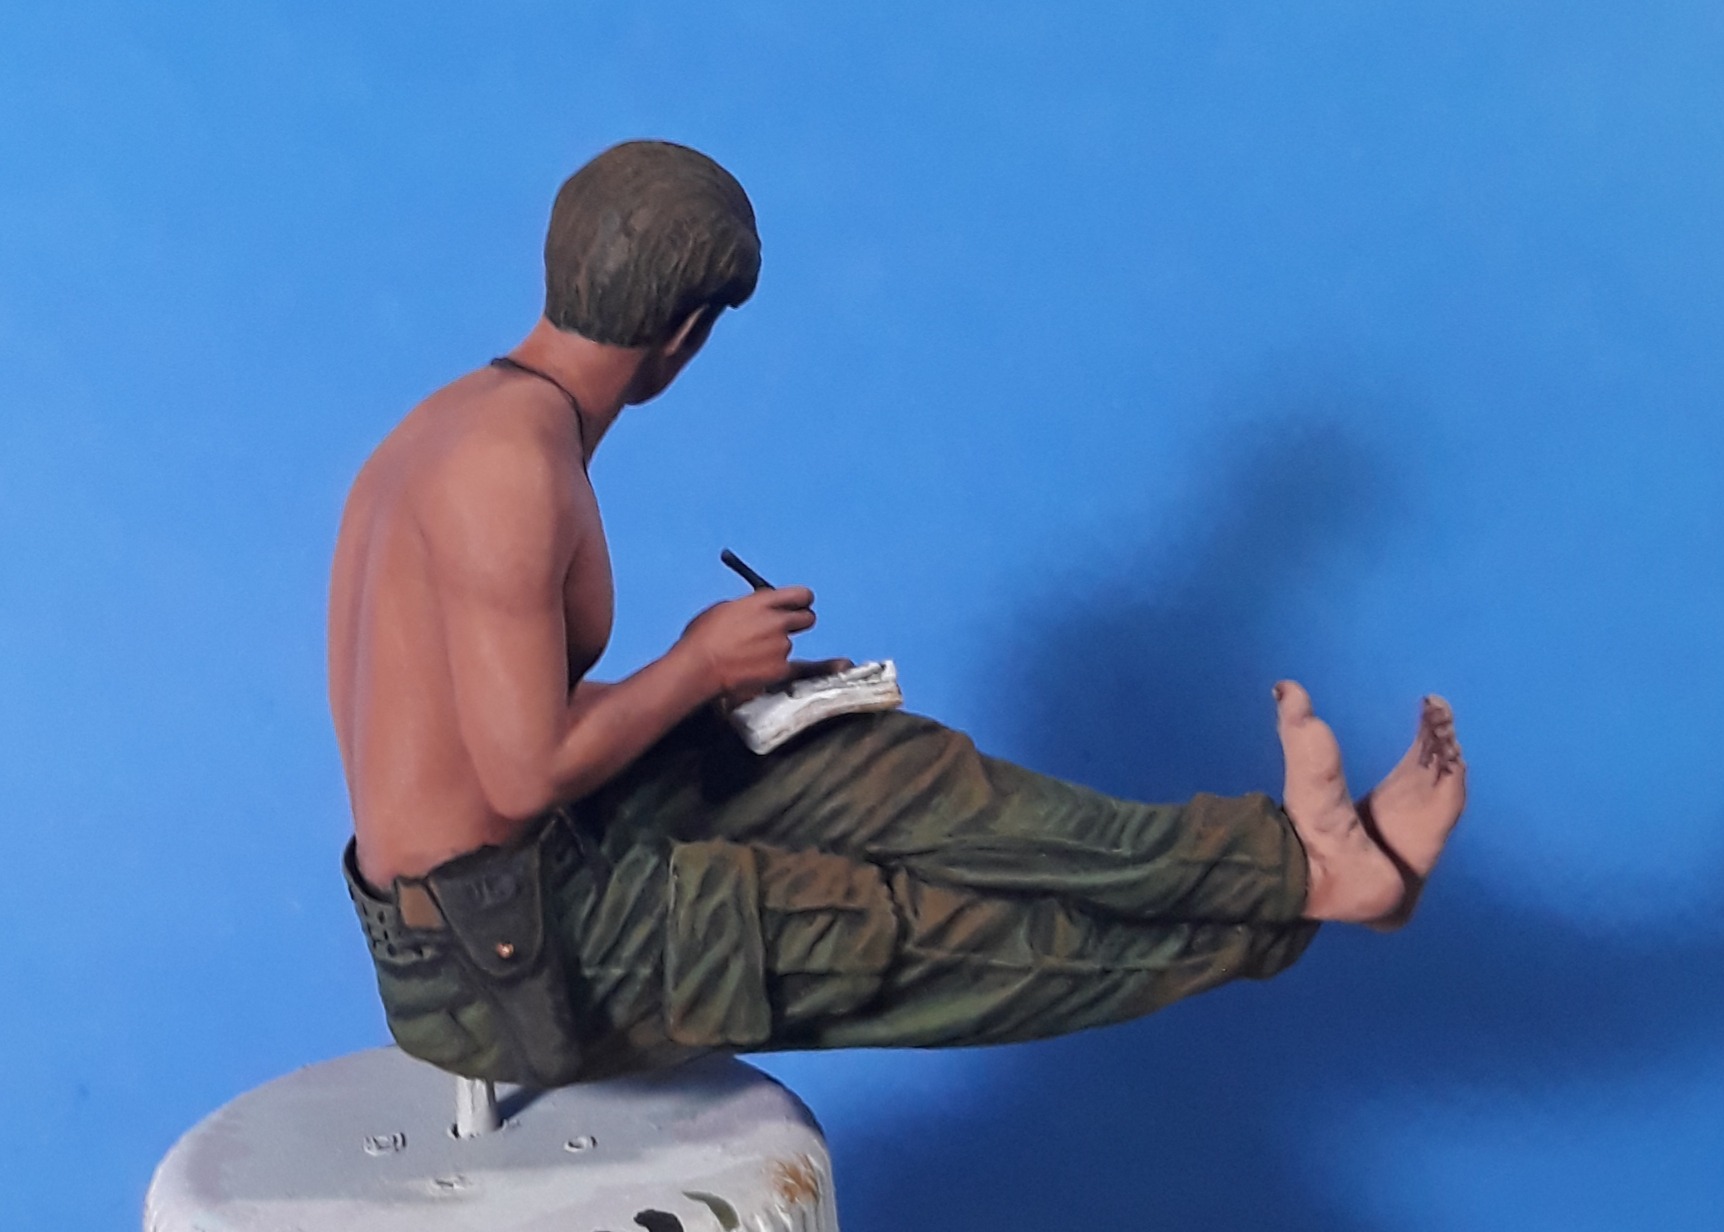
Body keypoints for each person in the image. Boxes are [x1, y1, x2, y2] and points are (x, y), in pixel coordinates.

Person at [329, 140, 1467, 1087]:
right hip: (501, 958)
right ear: (686, 330)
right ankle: (1315, 886)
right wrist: (697, 664)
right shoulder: (506, 473)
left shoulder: (463, 424)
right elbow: (522, 772)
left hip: (529, 874)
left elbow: (476, 740)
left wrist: (723, 686)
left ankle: (1293, 861)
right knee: (914, 927)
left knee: (874, 767)